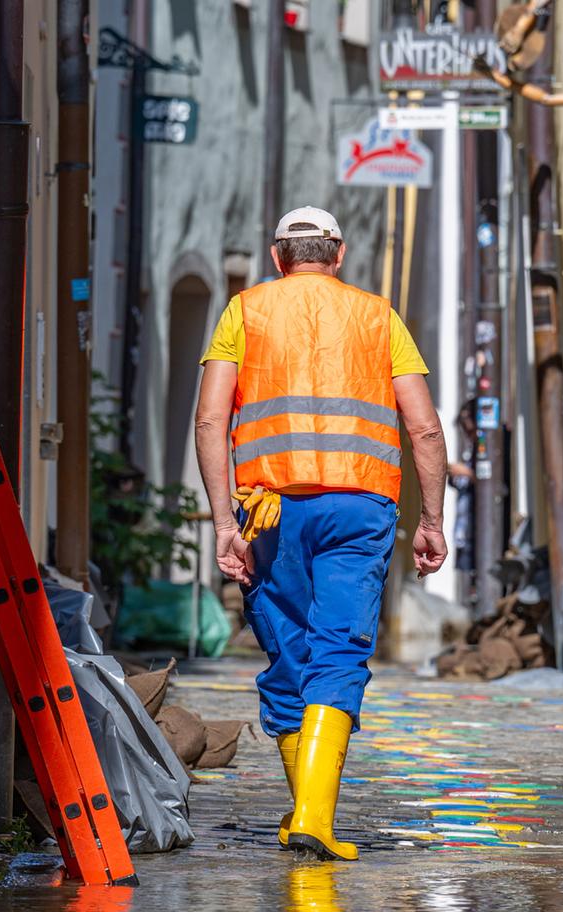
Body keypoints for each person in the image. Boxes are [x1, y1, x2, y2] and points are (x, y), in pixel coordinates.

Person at [192, 206, 449, 860]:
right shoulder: (378, 317)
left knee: (288, 657)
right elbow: (422, 426)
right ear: (338, 254)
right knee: (338, 651)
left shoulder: (242, 313)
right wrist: (431, 520)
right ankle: (311, 815)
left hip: (271, 509)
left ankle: (306, 811)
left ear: (279, 257)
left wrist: (224, 523)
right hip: (359, 510)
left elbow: (208, 420)